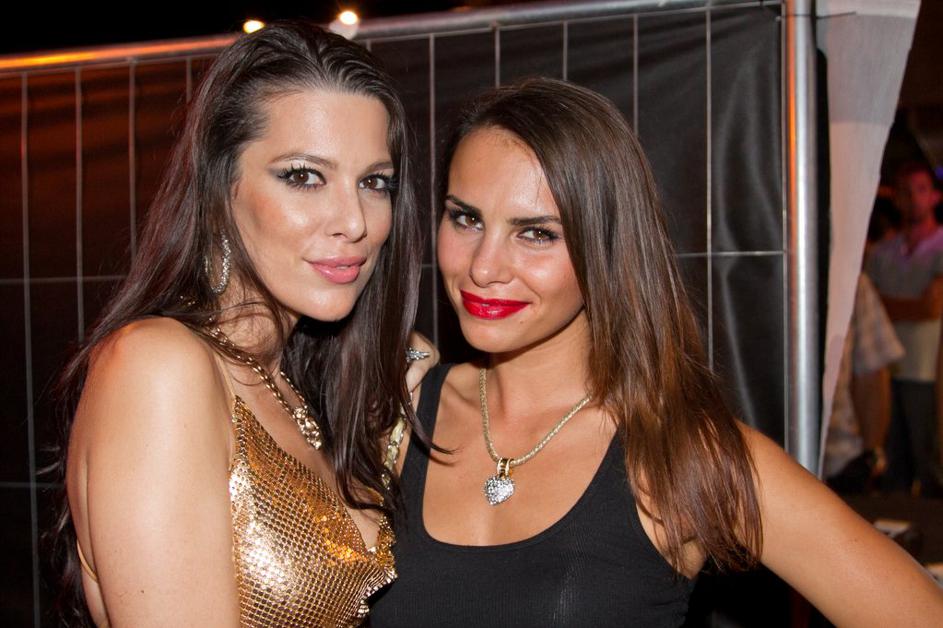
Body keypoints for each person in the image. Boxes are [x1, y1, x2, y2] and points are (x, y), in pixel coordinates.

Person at [370, 79, 943, 626]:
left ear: (606, 244)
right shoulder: (394, 416)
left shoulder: (678, 453)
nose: (483, 266)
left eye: (537, 233)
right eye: (466, 218)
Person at [57, 22, 434, 626]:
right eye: (304, 176)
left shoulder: (290, 385)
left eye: (373, 182)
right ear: (220, 187)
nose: (354, 221)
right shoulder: (159, 365)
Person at [866, 161, 943, 495]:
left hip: (926, 371)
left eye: (921, 190)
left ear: (935, 196)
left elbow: (931, 307)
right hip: (885, 371)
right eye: (905, 192)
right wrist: (909, 305)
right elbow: (866, 304)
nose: (913, 199)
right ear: (895, 198)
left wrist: (882, 305)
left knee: (929, 462)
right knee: (893, 466)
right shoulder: (883, 251)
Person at [824, 274, 903, 493]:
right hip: (763, 460)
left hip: (840, 459)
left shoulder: (849, 276)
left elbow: (872, 372)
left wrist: (871, 455)